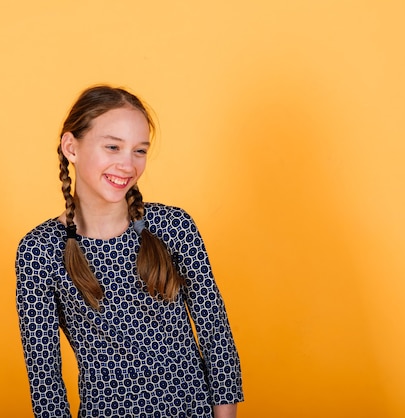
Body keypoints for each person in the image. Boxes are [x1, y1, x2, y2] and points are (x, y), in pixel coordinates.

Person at [15, 85, 243, 417]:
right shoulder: (40, 250)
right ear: (71, 147)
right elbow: (45, 378)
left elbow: (215, 332)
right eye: (112, 147)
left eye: (139, 151)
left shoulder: (172, 226)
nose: (127, 164)